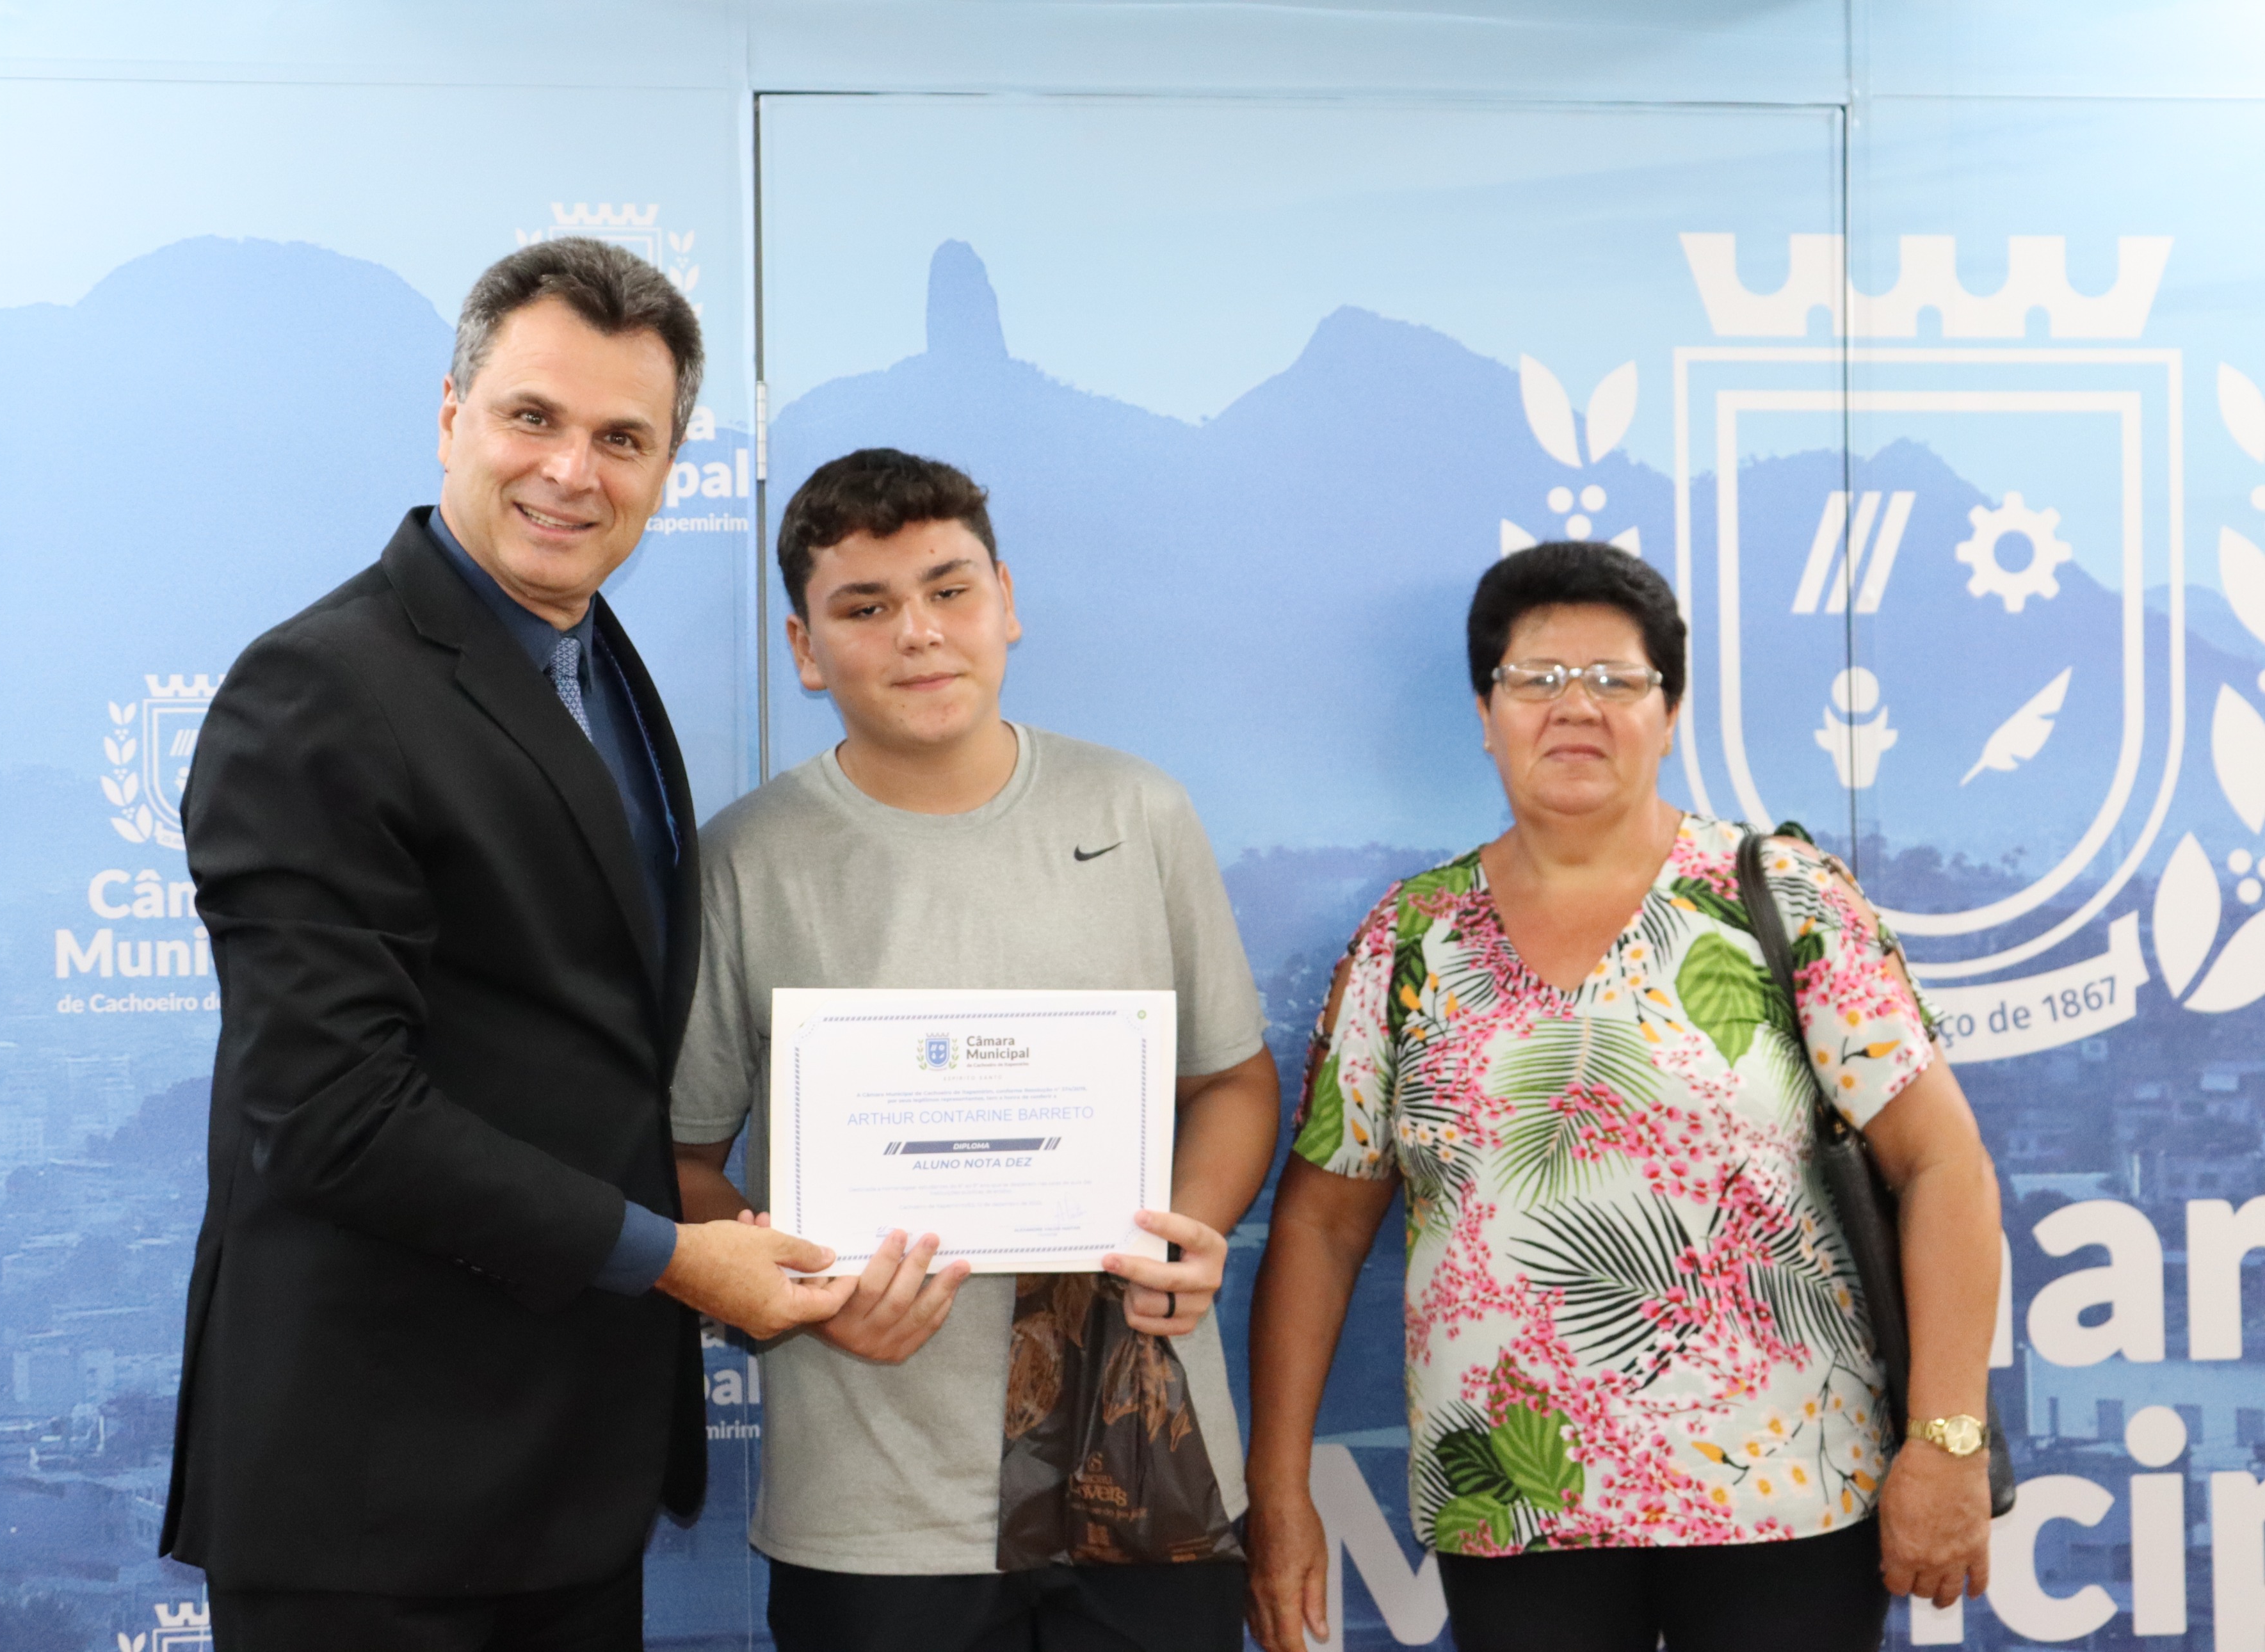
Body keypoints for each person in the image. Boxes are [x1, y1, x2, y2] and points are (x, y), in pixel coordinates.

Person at [164, 239, 856, 1652]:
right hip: (375, 1497)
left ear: (669, 466)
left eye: (623, 438)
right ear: (451, 417)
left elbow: (576, 1047)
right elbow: (331, 1108)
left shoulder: (594, 660)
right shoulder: (319, 688)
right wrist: (674, 1258)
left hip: (564, 1480)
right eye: (532, 417)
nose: (571, 472)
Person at [1244, 542, 2003, 1652]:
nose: (1576, 707)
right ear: (1485, 711)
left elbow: (1943, 1164)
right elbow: (1319, 1225)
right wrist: (1277, 1491)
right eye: (1536, 679)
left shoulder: (1785, 901)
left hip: (1789, 1502)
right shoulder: (1410, 939)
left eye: (1615, 679)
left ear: (1671, 711)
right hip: (1513, 1502)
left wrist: (1948, 1436)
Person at [670, 449, 1283, 1652]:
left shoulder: (1138, 812)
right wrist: (804, 1300)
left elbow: (1232, 1080)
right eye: (865, 606)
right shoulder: (745, 858)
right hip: (873, 1508)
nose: (918, 633)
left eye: (949, 590)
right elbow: (683, 1160)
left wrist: (1185, 1234)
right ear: (804, 648)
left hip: (1146, 1475)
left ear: (1005, 600)